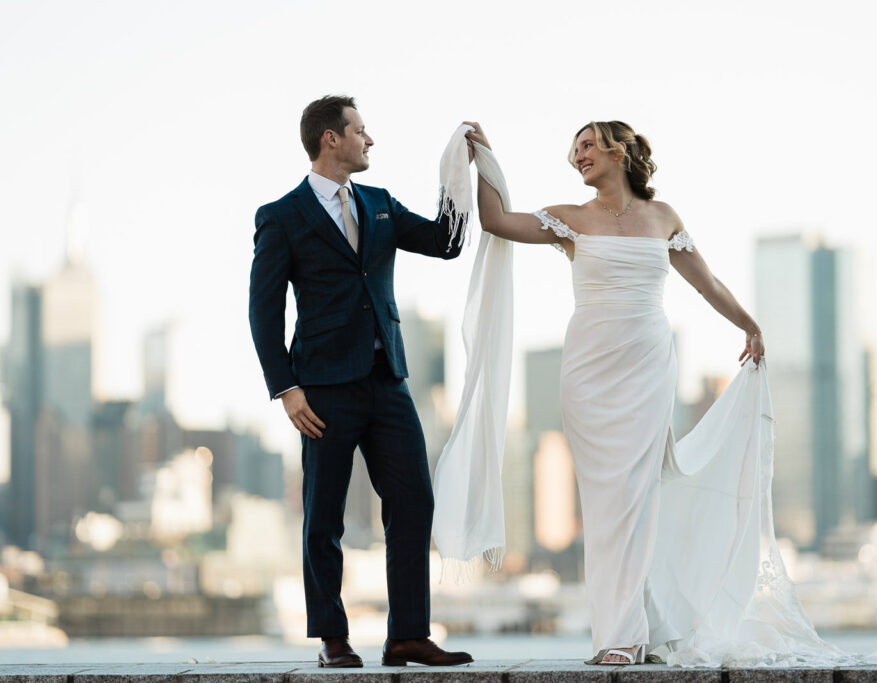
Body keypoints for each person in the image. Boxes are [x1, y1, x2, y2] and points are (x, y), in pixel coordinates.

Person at [463, 120, 768, 665]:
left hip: (648, 364)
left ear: (618, 150)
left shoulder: (663, 217)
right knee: (607, 502)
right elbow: (495, 221)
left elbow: (707, 283)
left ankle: (627, 634)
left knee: (639, 495)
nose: (576, 155)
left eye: (586, 145)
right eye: (573, 149)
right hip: (589, 370)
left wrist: (749, 325)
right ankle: (629, 630)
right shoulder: (570, 220)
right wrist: (483, 160)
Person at [248, 95, 473, 668]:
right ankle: (332, 638)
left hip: (388, 381)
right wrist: (286, 388)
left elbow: (446, 242)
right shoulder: (281, 215)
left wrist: (461, 171)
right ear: (331, 138)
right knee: (324, 515)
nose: (369, 140)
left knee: (413, 501)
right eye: (361, 131)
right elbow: (263, 310)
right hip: (321, 389)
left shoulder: (378, 204)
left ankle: (407, 636)